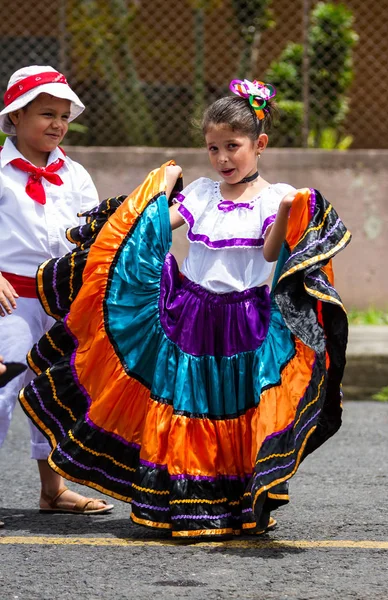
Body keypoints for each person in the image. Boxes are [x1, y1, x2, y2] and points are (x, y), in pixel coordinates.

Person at [19, 79, 351, 538]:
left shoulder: (278, 198)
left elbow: (273, 256)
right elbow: (150, 229)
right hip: (190, 316)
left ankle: (235, 506)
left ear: (260, 145)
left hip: (245, 323)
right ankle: (178, 504)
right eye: (213, 148)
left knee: (236, 409)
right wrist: (158, 192)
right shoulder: (199, 193)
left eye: (233, 147)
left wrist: (292, 212)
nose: (223, 159)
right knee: (187, 406)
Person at [0, 65, 113, 515]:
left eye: (64, 116)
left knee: (57, 396)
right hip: (10, 304)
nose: (58, 124)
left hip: (63, 302)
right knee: (3, 389)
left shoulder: (76, 174)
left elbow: (92, 235)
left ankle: (53, 490)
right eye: (46, 113)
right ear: (15, 116)